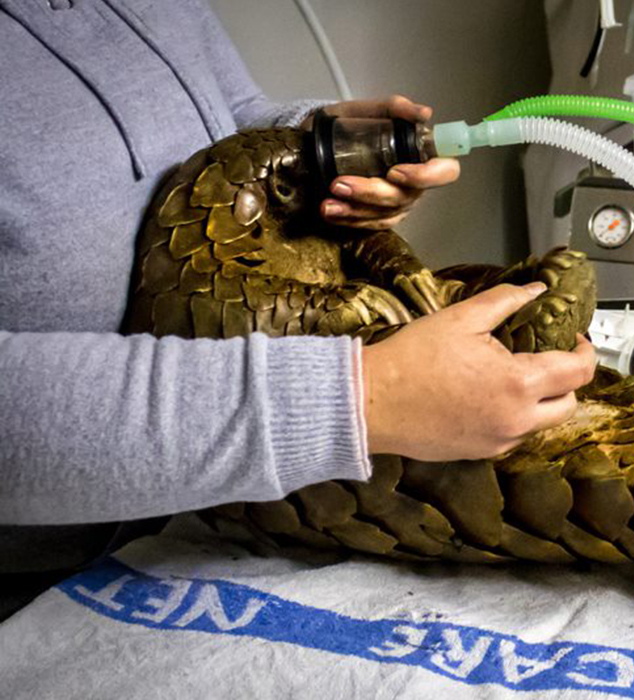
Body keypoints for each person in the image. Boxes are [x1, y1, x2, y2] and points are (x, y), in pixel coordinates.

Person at [0, 0, 594, 612]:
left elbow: (224, 112)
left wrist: (317, 146)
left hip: (219, 514)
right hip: (43, 584)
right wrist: (362, 398)